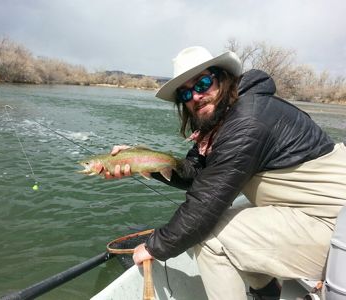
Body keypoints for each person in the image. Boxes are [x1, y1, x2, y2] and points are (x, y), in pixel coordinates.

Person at [106, 46, 346, 300]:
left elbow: (204, 205)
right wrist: (142, 162)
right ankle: (267, 294)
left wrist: (155, 247)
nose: (195, 96)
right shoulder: (225, 119)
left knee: (209, 236)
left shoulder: (247, 121)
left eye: (203, 83)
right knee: (219, 222)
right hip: (305, 214)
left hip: (335, 228)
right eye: (186, 92)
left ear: (224, 78)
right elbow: (195, 174)